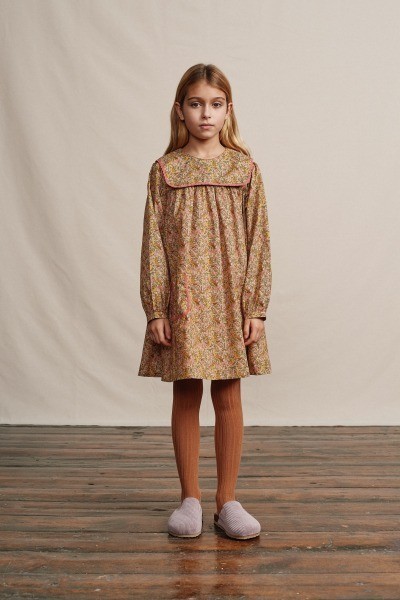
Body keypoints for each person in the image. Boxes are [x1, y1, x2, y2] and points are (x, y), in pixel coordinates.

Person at [138, 63, 272, 540]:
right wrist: (156, 307)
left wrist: (255, 306)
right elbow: (153, 243)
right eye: (196, 104)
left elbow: (259, 240)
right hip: (185, 300)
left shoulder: (244, 170)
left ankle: (227, 501)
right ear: (180, 110)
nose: (206, 114)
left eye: (215, 105)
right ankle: (190, 499)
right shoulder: (165, 171)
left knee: (229, 394)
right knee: (187, 391)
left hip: (231, 298)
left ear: (228, 110)